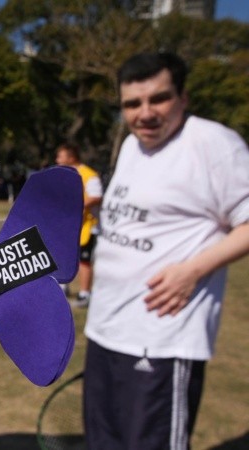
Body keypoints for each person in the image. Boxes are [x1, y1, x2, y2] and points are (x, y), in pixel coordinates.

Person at [83, 52, 249, 450]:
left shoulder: (214, 144)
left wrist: (192, 271)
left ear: (183, 97)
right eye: (131, 104)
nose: (145, 114)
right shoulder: (130, 147)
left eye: (158, 99)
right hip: (106, 331)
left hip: (162, 339)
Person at [54, 142, 102, 308]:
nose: (57, 159)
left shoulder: (88, 174)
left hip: (87, 227)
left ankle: (84, 294)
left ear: (71, 157)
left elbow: (96, 196)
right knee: (62, 256)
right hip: (68, 226)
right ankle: (62, 287)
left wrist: (75, 206)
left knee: (84, 261)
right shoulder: (65, 174)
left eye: (61, 156)